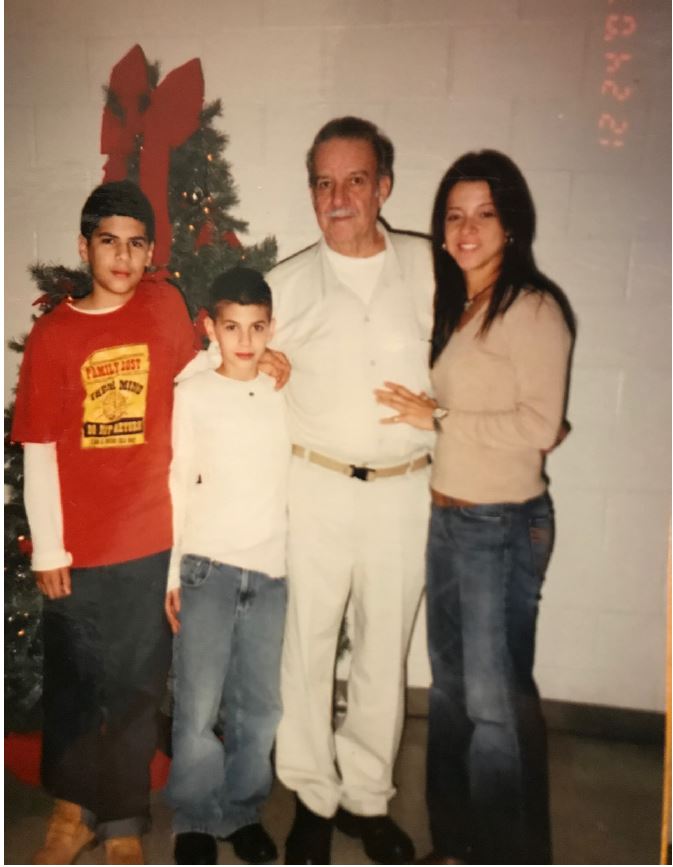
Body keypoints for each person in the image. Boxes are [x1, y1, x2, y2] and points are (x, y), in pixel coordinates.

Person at [10, 182, 288, 866]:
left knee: (137, 687)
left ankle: (124, 818)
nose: (123, 255)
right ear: (85, 247)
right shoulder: (54, 335)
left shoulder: (164, 308)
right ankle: (72, 811)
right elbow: (40, 445)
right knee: (76, 681)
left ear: (151, 251)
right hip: (76, 546)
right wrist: (47, 544)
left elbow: (208, 368)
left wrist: (265, 366)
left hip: (147, 540)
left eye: (137, 242)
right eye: (109, 240)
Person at [375, 150, 575, 865]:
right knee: (455, 700)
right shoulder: (458, 304)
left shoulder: (534, 307)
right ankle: (456, 846)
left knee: (494, 709)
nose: (465, 229)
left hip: (500, 524)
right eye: (454, 215)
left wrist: (440, 417)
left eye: (483, 214)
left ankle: (507, 856)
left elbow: (541, 425)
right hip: (449, 518)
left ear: (511, 223)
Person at [266, 116, 434, 865]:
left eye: (354, 180)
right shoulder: (286, 284)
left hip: (404, 491)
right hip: (318, 486)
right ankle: (310, 794)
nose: (337, 197)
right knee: (306, 644)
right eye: (322, 182)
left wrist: (447, 417)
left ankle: (366, 797)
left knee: (381, 647)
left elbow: (476, 363)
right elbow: (232, 380)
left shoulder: (434, 270)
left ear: (384, 186)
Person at [163, 267, 290, 866]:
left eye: (257, 328)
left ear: (271, 329)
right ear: (211, 326)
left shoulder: (284, 391)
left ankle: (240, 811)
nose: (244, 341)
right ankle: (192, 817)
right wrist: (171, 575)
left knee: (259, 704)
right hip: (206, 569)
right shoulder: (192, 393)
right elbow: (177, 483)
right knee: (198, 703)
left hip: (270, 572)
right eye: (231, 327)